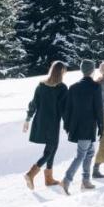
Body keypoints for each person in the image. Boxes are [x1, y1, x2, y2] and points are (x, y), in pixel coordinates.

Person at [61, 59, 104, 194]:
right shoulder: (96, 87)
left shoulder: (73, 87)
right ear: (92, 71)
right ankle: (66, 180)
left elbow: (67, 109)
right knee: (81, 154)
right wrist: (101, 125)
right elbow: (98, 108)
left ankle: (86, 180)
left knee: (90, 152)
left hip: (77, 126)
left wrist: (67, 125)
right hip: (88, 127)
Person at [23, 61, 68, 190]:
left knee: (51, 148)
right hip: (52, 123)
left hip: (40, 121)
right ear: (61, 72)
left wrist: (28, 119)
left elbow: (33, 103)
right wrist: (68, 125)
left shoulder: (41, 85)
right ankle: (31, 174)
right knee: (50, 150)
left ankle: (48, 178)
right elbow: (64, 109)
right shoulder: (62, 88)